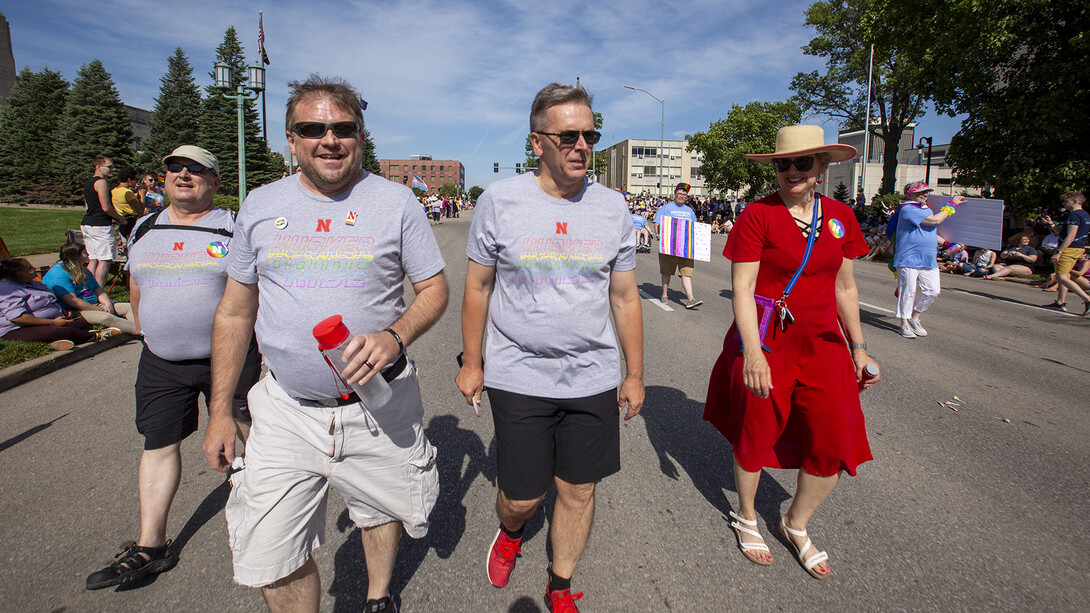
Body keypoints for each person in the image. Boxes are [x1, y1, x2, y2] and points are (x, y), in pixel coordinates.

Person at [204, 75, 447, 613]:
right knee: (272, 549)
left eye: (343, 128)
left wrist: (394, 335)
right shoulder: (261, 206)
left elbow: (434, 290)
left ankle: (379, 596)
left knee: (378, 508)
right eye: (313, 128)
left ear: (360, 135)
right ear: (291, 139)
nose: (329, 139)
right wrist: (221, 409)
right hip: (286, 411)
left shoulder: (397, 201)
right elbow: (235, 312)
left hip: (378, 405)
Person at [457, 82, 644, 612]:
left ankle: (559, 583)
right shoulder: (500, 201)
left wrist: (634, 373)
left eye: (590, 134)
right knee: (522, 496)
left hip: (592, 374)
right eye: (568, 136)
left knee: (578, 489)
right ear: (537, 142)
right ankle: (511, 531)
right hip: (519, 372)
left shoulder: (613, 208)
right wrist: (473, 362)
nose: (582, 145)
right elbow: (478, 287)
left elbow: (626, 296)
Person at [703, 124, 879, 579]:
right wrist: (754, 353)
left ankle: (795, 523)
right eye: (784, 164)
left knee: (835, 437)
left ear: (822, 167)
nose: (793, 171)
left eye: (803, 162)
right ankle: (745, 515)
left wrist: (859, 348)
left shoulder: (840, 216)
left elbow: (845, 285)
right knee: (757, 430)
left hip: (823, 345)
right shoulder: (758, 216)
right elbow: (741, 288)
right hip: (767, 341)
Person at [84, 145, 261, 590]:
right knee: (158, 443)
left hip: (231, 356)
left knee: (251, 434)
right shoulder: (144, 226)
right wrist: (143, 329)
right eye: (175, 168)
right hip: (161, 360)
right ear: (163, 178)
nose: (184, 174)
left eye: (196, 170)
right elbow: (136, 283)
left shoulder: (232, 227)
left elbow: (258, 289)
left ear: (215, 182)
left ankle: (267, 519)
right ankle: (152, 545)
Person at [892, 182, 966, 338]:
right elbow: (935, 221)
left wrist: (948, 243)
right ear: (909, 194)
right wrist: (952, 205)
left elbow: (931, 230)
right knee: (908, 291)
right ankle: (904, 323)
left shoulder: (926, 210)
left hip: (928, 258)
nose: (925, 194)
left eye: (926, 192)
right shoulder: (907, 209)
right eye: (921, 192)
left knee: (933, 291)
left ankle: (915, 316)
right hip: (908, 258)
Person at [0, 257, 102, 350]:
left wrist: (63, 312)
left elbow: (50, 300)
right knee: (59, 331)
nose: (34, 269)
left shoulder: (33, 283)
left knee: (80, 322)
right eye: (30, 268)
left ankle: (55, 342)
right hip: (18, 329)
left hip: (51, 321)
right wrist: (52, 322)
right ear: (19, 273)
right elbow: (18, 317)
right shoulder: (7, 290)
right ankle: (98, 336)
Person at [42, 242, 138, 334]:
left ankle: (140, 327)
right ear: (74, 256)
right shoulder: (58, 274)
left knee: (129, 307)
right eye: (84, 253)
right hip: (78, 311)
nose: (87, 255)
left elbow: (98, 290)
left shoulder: (82, 269)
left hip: (95, 305)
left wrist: (107, 303)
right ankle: (141, 332)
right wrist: (97, 309)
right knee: (106, 318)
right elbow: (72, 301)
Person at [655, 182, 703, 308]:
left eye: (684, 194)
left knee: (686, 273)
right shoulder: (666, 208)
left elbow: (695, 228)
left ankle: (690, 299)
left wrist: (703, 239)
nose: (682, 196)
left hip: (686, 248)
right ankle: (664, 294)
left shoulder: (689, 211)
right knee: (667, 272)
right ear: (675, 194)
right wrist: (658, 235)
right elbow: (657, 223)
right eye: (680, 193)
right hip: (669, 247)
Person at [1042, 191, 1090, 315]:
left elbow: (1070, 236)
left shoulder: (1074, 216)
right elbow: (1063, 232)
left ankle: (1087, 299)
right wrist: (1051, 224)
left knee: (1061, 277)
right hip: (1077, 248)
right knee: (1064, 274)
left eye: (1066, 201)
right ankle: (1060, 302)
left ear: (1074, 202)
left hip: (1069, 249)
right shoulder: (1084, 215)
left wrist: (1059, 251)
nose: (1063, 203)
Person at [81, 156, 125, 288]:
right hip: (100, 225)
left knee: (93, 259)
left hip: (87, 223)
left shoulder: (89, 182)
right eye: (109, 167)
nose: (113, 169)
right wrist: (120, 218)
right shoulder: (101, 182)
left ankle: (87, 288)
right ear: (98, 167)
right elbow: (106, 207)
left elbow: (87, 206)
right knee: (105, 260)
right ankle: (99, 290)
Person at [111, 166, 145, 238]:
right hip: (131, 221)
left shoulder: (114, 191)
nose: (136, 182)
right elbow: (141, 211)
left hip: (121, 220)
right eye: (135, 179)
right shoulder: (128, 193)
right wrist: (142, 197)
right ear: (129, 180)